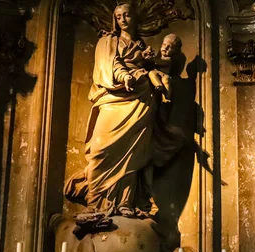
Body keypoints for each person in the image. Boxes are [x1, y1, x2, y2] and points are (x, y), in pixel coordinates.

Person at [65, 3, 184, 220]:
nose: (122, 19)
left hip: (141, 101)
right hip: (113, 99)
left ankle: (126, 202)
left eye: (127, 15)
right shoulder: (106, 41)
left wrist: (147, 70)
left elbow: (157, 70)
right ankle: (95, 201)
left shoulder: (142, 46)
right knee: (100, 148)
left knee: (133, 155)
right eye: (118, 16)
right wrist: (125, 76)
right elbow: (109, 66)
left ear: (135, 18)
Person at [147, 33, 182, 101]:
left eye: (169, 47)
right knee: (151, 73)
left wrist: (153, 59)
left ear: (174, 51)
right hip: (156, 72)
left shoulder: (168, 59)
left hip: (164, 74)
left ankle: (168, 97)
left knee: (166, 80)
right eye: (164, 45)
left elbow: (163, 62)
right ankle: (158, 85)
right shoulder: (158, 55)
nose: (165, 48)